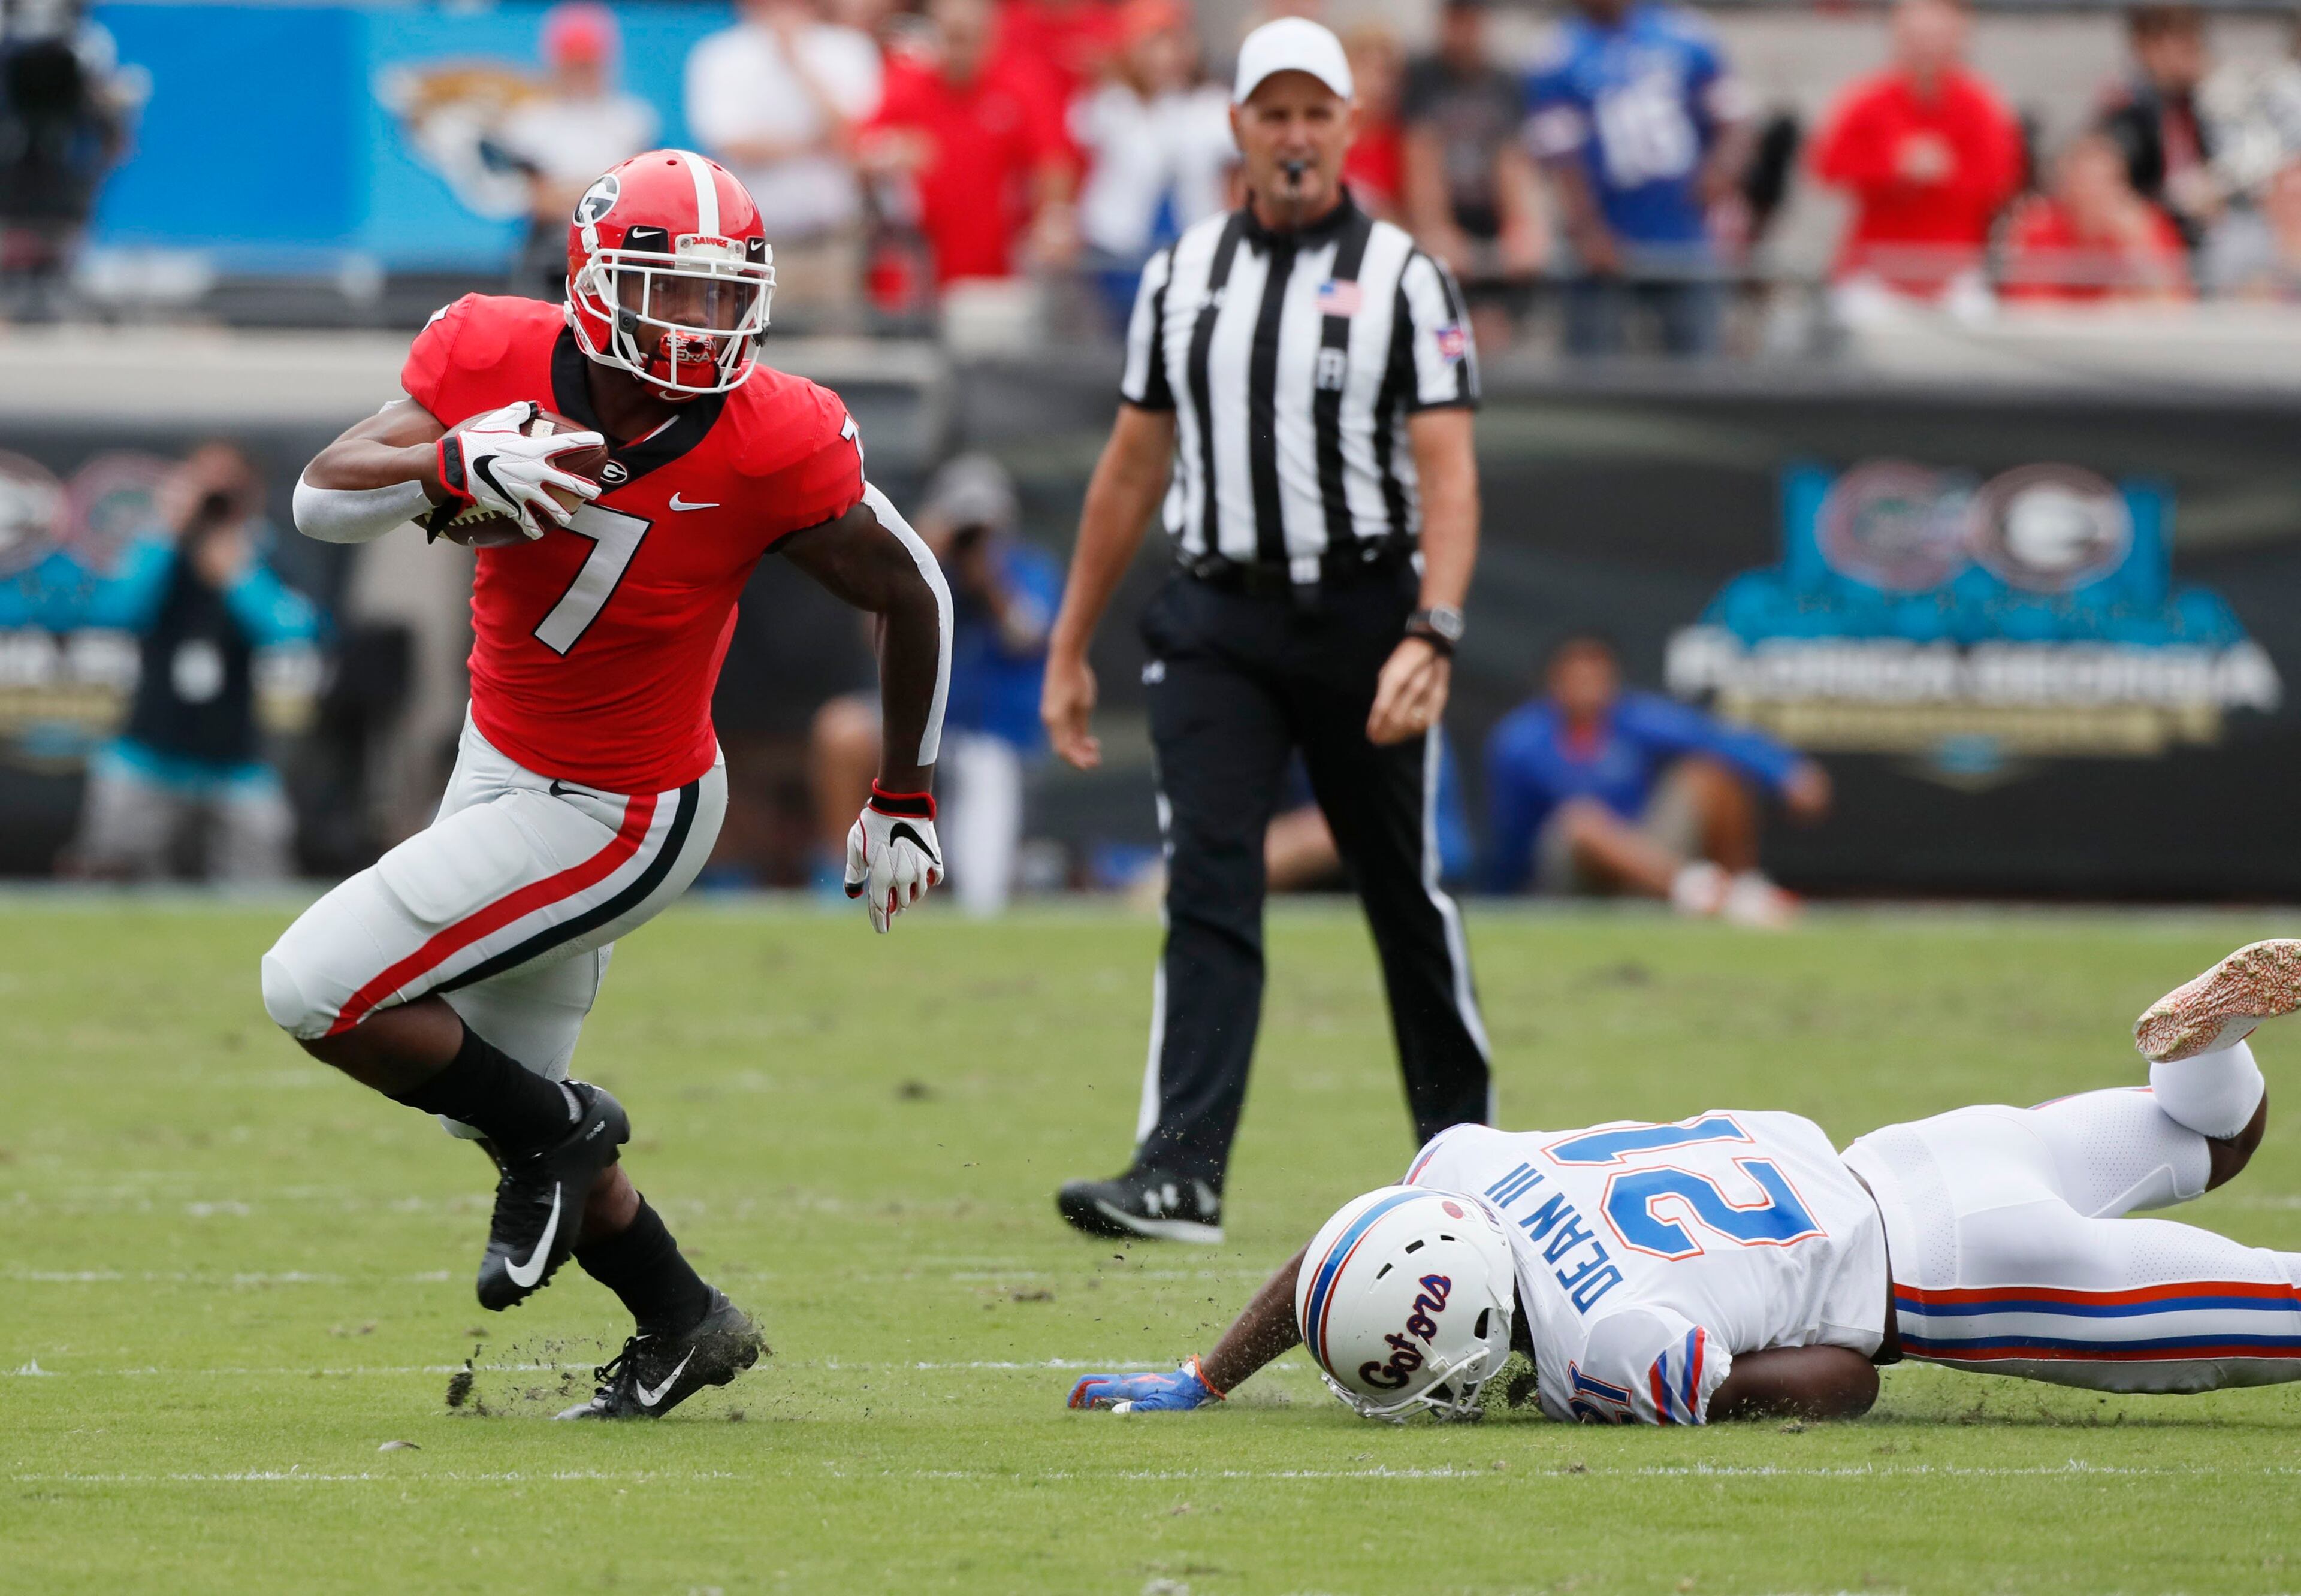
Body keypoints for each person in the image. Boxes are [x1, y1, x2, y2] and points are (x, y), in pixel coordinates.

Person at [262, 150, 952, 1420]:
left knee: (313, 988)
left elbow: (914, 589)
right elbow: (319, 498)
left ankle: (568, 1132)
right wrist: (450, 465)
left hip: (627, 809)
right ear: (592, 280)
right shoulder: (488, 353)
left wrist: (903, 789)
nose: (697, 325)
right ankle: (682, 1317)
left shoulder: (772, 433)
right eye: (668, 292)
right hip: (499, 760)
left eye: (717, 296)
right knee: (485, 1102)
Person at [1067, 938, 2299, 1424]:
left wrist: (1572, 1395)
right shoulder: (1470, 1165)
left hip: (1963, 1278)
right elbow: (1339, 1259)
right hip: (1921, 1151)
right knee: (2209, 1145)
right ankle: (2207, 1053)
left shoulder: (1610, 1340)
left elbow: (1842, 1384)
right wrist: (1209, 1374)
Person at [1041, 19, 1493, 1245]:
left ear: (1351, 125)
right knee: (1210, 885)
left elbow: (1448, 474)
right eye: (1272, 114)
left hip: (1363, 617)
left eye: (1315, 114)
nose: (1294, 136)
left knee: (1402, 894)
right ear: (1235, 126)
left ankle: (1474, 1166)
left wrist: (1433, 630)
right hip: (1219, 621)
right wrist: (1070, 642)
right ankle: (1180, 1172)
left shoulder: (1408, 277)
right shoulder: (1182, 275)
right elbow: (1131, 470)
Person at [811, 452, 1058, 915]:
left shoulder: (1026, 568)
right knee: (840, 730)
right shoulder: (922, 567)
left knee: (982, 889)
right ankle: (846, 881)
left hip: (992, 732)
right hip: (920, 719)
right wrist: (921, 557)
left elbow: (1027, 636)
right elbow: (873, 638)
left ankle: (961, 902)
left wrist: (990, 580)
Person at [67, 443, 321, 883]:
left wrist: (239, 573)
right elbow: (115, 613)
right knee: (107, 875)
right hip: (148, 752)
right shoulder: (158, 549)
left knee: (263, 880)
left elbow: (292, 632)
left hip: (234, 759)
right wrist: (167, 532)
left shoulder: (263, 555)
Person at [1482, 634, 1827, 926]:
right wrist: (1504, 899)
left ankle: (1740, 891)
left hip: (1644, 856)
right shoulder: (1519, 741)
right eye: (1578, 678)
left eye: (1598, 677)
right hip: (1570, 874)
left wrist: (1786, 770)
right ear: (1556, 682)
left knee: (1708, 773)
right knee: (1582, 819)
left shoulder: (1634, 717)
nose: (1589, 688)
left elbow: (1712, 737)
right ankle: (1699, 892)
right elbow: (1511, 833)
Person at [1525, 0, 1754, 358]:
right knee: (1596, 376)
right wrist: (1586, 229)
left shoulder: (1684, 32)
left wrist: (1721, 170)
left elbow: (1735, 118)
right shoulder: (1559, 52)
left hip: (1684, 232)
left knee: (1700, 371)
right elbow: (1559, 156)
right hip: (1606, 243)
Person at [1808, 0, 2023, 309]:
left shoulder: (1981, 105)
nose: (1926, 47)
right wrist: (1893, 168)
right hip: (1875, 270)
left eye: (1936, 35)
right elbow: (1827, 166)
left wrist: (1947, 172)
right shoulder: (1868, 101)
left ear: (1959, 36)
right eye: (1916, 35)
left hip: (1953, 271)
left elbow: (2002, 178)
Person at [684, 0, 883, 322]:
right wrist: (812, 146)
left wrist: (798, 63)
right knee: (757, 353)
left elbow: (856, 136)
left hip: (834, 243)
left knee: (841, 357)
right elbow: (731, 143)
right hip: (754, 249)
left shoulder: (850, 50)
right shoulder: (720, 55)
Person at [861, 0, 1077, 288]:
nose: (960, 52)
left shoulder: (1020, 85)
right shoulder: (910, 83)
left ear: (991, 37)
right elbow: (863, 148)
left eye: (970, 38)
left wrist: (1053, 217)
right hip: (919, 264)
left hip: (996, 263)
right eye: (952, 37)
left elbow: (1053, 159)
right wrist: (891, 152)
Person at [1070, 0, 1236, 325]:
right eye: (1153, 44)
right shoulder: (1110, 104)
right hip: (1118, 249)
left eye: (1175, 42)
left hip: (1192, 249)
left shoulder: (1213, 106)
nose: (1166, 56)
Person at [1399, 0, 1546, 343]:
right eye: (1455, 19)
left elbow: (1512, 161)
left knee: (1500, 324)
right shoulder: (1422, 77)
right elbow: (1420, 156)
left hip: (1490, 219)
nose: (1462, 31)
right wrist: (1437, 228)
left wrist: (1521, 227)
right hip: (1443, 221)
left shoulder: (1504, 81)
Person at [493, 2, 658, 301]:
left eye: (588, 63)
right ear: (555, 62)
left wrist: (569, 193)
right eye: (573, 63)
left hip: (615, 245)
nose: (581, 73)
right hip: (551, 247)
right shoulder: (529, 123)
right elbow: (536, 201)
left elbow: (641, 200)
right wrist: (599, 193)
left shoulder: (632, 120)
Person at [2000, 130, 2190, 304]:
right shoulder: (2039, 228)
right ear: (2064, 186)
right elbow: (2030, 309)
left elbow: (2175, 305)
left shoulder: (2147, 226)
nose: (2093, 194)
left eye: (2103, 182)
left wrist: (2138, 245)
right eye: (2083, 183)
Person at [2098, 5, 2219, 253]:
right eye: (2184, 46)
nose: (2195, 55)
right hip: (2149, 235)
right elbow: (2121, 190)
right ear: (2150, 49)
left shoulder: (2198, 106)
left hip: (2198, 231)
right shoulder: (2127, 111)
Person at [1339, 24, 1406, 222]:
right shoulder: (1325, 138)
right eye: (1365, 69)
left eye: (1386, 73)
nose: (1378, 85)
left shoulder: (1405, 144)